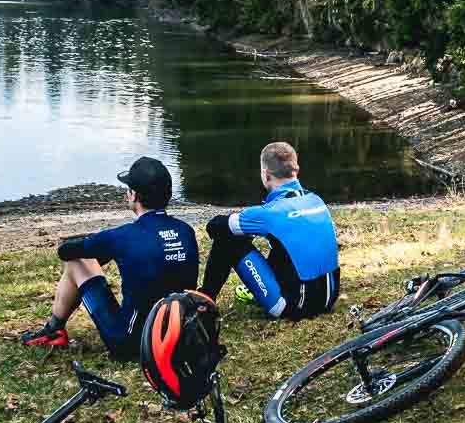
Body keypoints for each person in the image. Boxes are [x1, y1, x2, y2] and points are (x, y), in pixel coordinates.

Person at [17, 156, 198, 358]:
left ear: (133, 195)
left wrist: (98, 246)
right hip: (181, 337)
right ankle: (54, 330)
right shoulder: (186, 231)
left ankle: (53, 329)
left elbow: (66, 252)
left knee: (77, 262)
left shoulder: (122, 236)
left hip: (134, 345)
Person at [199, 140, 340, 319]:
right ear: (296, 170)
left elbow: (215, 226)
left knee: (227, 238)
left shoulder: (270, 212)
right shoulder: (316, 200)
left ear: (266, 175)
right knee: (283, 243)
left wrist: (247, 228)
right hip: (328, 299)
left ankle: (205, 299)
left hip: (291, 307)